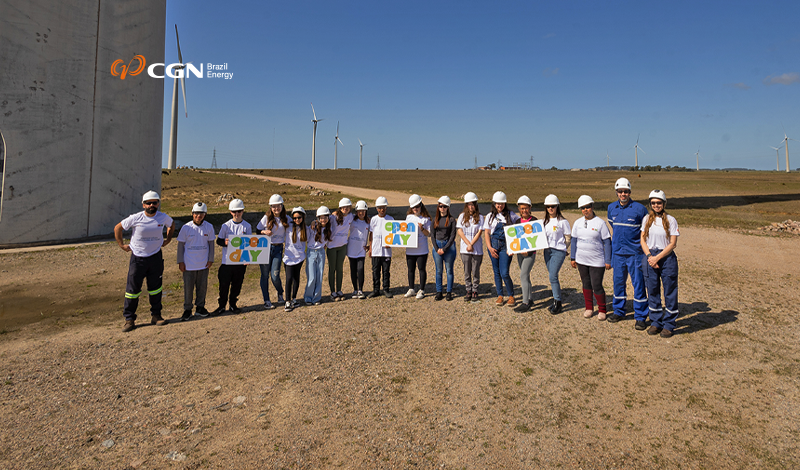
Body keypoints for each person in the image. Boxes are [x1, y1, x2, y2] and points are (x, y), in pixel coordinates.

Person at [115, 190, 175, 332]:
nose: (151, 205)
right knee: (133, 290)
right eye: (148, 203)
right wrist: (121, 245)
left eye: (154, 202)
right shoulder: (136, 218)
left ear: (158, 203)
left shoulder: (163, 217)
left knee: (155, 288)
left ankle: (156, 315)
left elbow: (171, 225)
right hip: (138, 258)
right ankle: (129, 319)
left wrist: (168, 239)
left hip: (155, 257)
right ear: (143, 205)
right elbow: (118, 228)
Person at [607, 177, 650, 329]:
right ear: (616, 192)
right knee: (618, 283)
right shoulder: (611, 208)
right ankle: (618, 311)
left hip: (635, 253)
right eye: (620, 192)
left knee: (638, 284)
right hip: (618, 253)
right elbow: (613, 225)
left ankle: (640, 316)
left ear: (630, 192)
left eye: (625, 192)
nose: (623, 194)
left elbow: (645, 230)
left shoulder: (639, 209)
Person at [640, 190, 680, 338]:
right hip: (650, 256)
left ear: (663, 203)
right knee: (653, 290)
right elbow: (642, 240)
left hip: (666, 257)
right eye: (653, 203)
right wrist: (650, 256)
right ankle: (656, 322)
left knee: (670, 291)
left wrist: (658, 258)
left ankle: (669, 324)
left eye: (659, 202)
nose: (656, 205)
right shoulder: (646, 219)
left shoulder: (671, 220)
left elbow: (673, 243)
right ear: (650, 204)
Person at [570, 195, 612, 319]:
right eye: (583, 208)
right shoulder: (577, 223)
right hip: (581, 259)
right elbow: (573, 240)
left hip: (597, 260)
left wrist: (608, 259)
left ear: (592, 207)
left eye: (587, 207)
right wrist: (573, 257)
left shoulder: (600, 223)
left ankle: (602, 309)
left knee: (596, 284)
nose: (585, 210)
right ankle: (589, 308)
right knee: (586, 284)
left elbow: (607, 242)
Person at [176, 202, 215, 321]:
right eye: (196, 213)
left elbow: (211, 244)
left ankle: (200, 308)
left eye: (201, 213)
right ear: (192, 214)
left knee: (202, 287)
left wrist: (211, 259)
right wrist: (180, 261)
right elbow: (180, 245)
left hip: (203, 264)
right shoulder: (186, 228)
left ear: (205, 214)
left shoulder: (209, 227)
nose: (199, 216)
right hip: (189, 264)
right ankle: (187, 309)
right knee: (188, 288)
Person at [483, 191, 520, 307]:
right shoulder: (489, 216)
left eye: (502, 203)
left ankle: (511, 295)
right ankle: (500, 295)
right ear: (494, 204)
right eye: (498, 203)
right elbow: (487, 233)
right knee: (496, 272)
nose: (500, 206)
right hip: (493, 246)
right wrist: (489, 248)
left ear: (505, 203)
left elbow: (521, 224)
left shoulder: (511, 215)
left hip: (506, 247)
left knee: (504, 272)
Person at [215, 199, 251, 315]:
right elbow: (219, 240)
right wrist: (224, 242)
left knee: (237, 285)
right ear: (230, 212)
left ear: (243, 211)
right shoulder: (226, 226)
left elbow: (250, 244)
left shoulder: (247, 226)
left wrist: (248, 258)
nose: (237, 214)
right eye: (234, 212)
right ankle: (221, 306)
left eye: (239, 211)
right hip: (227, 262)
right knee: (224, 285)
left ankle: (232, 304)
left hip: (240, 262)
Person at [257, 194, 289, 309]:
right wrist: (264, 232)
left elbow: (296, 225)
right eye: (274, 206)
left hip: (278, 248)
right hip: (265, 248)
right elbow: (257, 230)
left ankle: (280, 292)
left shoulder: (286, 218)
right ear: (271, 207)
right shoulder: (266, 218)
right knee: (264, 275)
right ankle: (266, 300)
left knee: (275, 275)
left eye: (278, 206)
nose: (276, 208)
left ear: (282, 206)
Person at [542, 194, 571, 314]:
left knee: (552, 276)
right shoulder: (544, 222)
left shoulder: (563, 222)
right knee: (553, 277)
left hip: (558, 251)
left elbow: (568, 238)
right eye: (548, 206)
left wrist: (564, 249)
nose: (550, 209)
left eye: (553, 206)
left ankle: (558, 302)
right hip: (547, 251)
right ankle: (555, 300)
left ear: (557, 206)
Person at [456, 192, 484, 302]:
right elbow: (460, 231)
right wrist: (468, 244)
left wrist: (471, 244)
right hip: (465, 249)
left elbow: (479, 232)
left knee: (475, 270)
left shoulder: (481, 217)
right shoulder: (461, 216)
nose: (471, 207)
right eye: (469, 204)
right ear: (466, 205)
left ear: (476, 205)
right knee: (467, 271)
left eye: (473, 204)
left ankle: (475, 290)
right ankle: (468, 290)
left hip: (476, 249)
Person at [404, 194, 432, 299]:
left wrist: (422, 229)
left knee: (421, 268)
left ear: (421, 205)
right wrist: (402, 242)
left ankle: (422, 289)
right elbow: (404, 232)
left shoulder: (426, 219)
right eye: (413, 207)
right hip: (410, 249)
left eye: (417, 206)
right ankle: (411, 288)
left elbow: (428, 234)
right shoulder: (408, 217)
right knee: (410, 269)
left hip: (422, 249)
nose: (415, 209)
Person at [513, 196, 538, 312]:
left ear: (530, 208)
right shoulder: (517, 222)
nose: (524, 211)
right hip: (520, 253)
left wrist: (528, 251)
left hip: (530, 254)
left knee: (523, 275)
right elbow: (516, 239)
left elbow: (537, 240)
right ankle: (530, 298)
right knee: (526, 275)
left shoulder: (534, 221)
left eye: (526, 208)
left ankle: (525, 302)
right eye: (522, 208)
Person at [431, 196, 457, 301]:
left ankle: (449, 292)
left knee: (449, 270)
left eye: (444, 206)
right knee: (438, 270)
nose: (442, 208)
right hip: (437, 246)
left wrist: (444, 249)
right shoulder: (435, 220)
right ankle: (439, 291)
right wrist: (437, 248)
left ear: (448, 207)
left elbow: (452, 236)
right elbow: (432, 235)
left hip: (448, 247)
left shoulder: (451, 220)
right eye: (440, 206)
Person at [366, 196, 394, 298]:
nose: (382, 210)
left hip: (386, 251)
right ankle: (376, 290)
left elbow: (394, 235)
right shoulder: (373, 219)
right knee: (375, 271)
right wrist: (370, 248)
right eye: (379, 208)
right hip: (376, 250)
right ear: (377, 208)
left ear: (386, 208)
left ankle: (386, 289)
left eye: (383, 207)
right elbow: (371, 234)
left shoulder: (390, 219)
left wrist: (390, 243)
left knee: (386, 271)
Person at [284, 207, 310, 311]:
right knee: (289, 278)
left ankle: (294, 298)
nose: (297, 220)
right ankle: (287, 301)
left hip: (299, 258)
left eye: (299, 217)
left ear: (303, 217)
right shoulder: (288, 226)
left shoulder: (306, 229)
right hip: (288, 257)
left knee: (296, 278)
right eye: (294, 218)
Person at [327, 198, 354, 301]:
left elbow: (361, 218)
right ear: (340, 207)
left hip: (342, 246)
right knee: (332, 269)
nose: (345, 209)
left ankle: (339, 290)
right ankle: (332, 291)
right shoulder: (333, 217)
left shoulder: (351, 217)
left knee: (339, 269)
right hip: (332, 246)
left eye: (347, 207)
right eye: (343, 207)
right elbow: (322, 221)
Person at [305, 206, 332, 305]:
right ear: (318, 218)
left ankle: (316, 298)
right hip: (311, 252)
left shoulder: (329, 228)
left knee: (319, 276)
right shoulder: (312, 227)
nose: (323, 219)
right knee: (311, 277)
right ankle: (308, 297)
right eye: (321, 217)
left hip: (321, 252)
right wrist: (313, 222)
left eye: (325, 217)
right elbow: (307, 238)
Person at [347, 200, 370, 299]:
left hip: (361, 250)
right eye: (359, 211)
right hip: (351, 249)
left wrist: (370, 245)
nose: (361, 213)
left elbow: (373, 233)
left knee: (360, 269)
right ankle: (355, 289)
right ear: (356, 212)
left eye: (363, 211)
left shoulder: (368, 222)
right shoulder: (352, 219)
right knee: (353, 270)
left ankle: (360, 289)